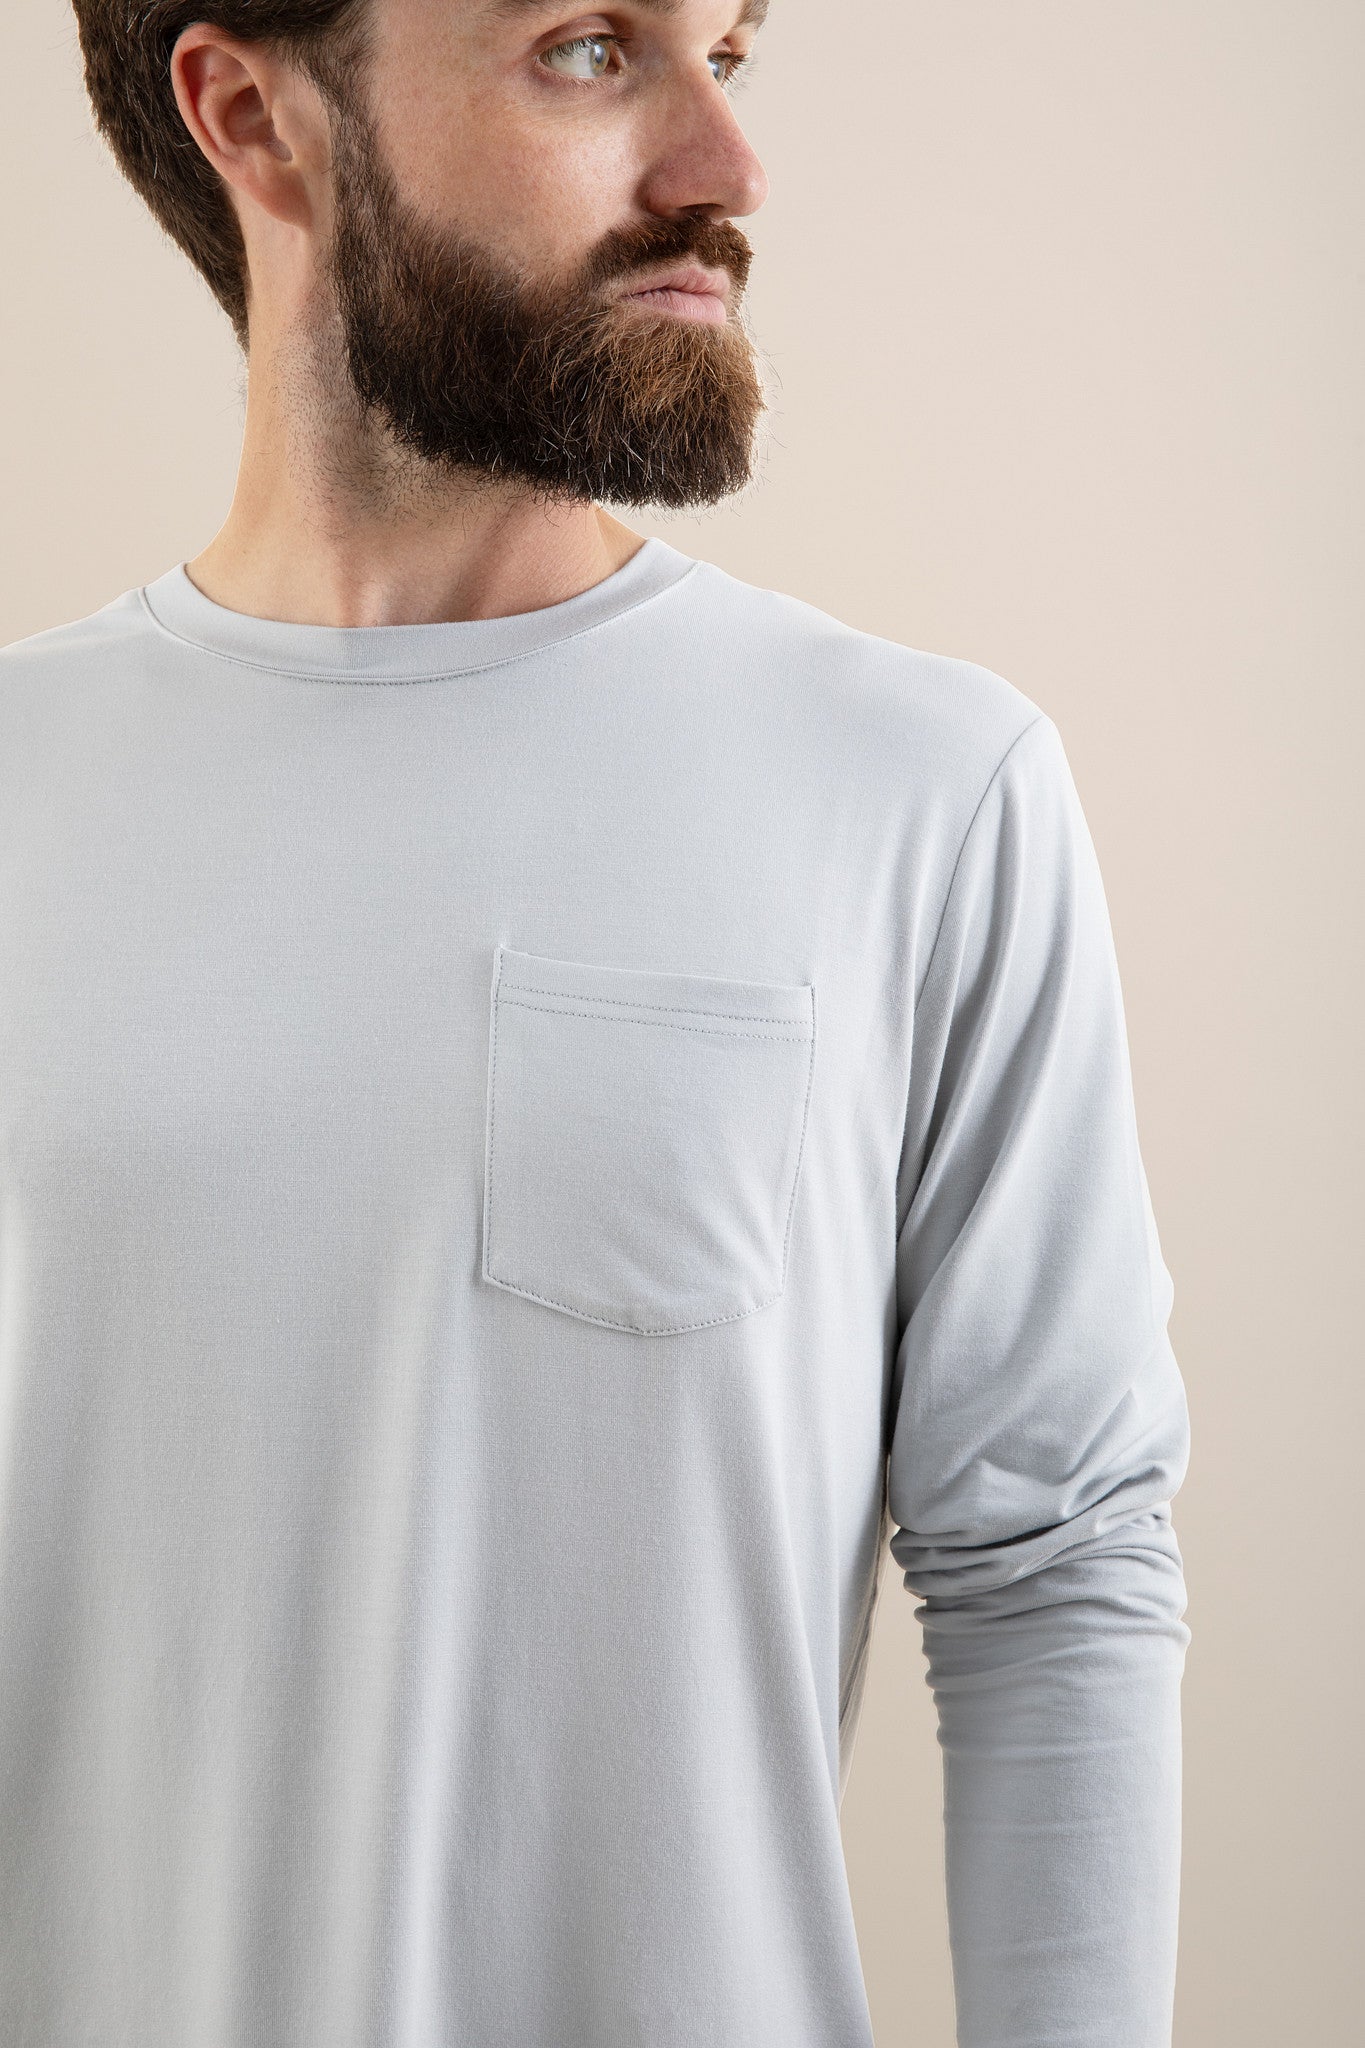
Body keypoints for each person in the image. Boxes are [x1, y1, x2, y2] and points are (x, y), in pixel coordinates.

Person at [0, 3, 1193, 2044]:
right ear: (256, 117)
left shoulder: (917, 789)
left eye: (728, 47)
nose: (724, 169)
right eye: (585, 48)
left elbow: (1051, 1567)